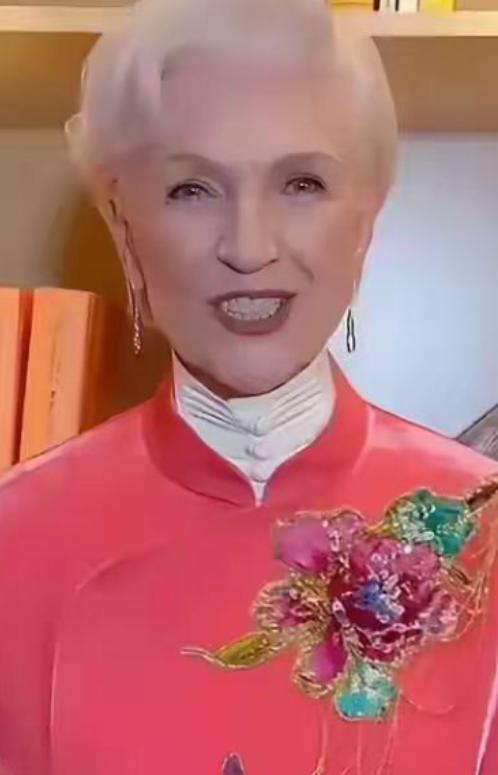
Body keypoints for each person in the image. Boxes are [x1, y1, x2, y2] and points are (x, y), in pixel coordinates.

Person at [0, 0, 497, 773]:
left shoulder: (484, 532)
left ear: (365, 225)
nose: (249, 246)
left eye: (301, 182)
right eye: (192, 190)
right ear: (126, 233)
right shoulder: (16, 538)